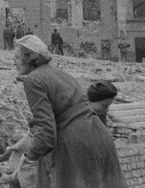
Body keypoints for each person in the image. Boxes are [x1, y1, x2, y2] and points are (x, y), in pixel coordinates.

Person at [14, 34, 127, 187]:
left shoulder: (33, 79)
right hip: (100, 135)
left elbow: (47, 133)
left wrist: (29, 158)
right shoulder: (59, 73)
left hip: (75, 142)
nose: (14, 62)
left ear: (30, 57)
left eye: (17, 57)